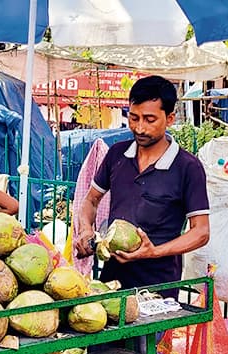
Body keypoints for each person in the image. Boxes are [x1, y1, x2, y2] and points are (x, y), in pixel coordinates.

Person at [74, 75, 210, 297]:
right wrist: (87, 230)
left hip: (158, 286)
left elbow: (201, 232)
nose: (139, 128)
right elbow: (91, 200)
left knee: (148, 333)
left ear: (170, 118)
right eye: (134, 117)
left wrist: (154, 252)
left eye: (149, 119)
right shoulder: (117, 154)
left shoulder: (188, 167)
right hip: (112, 281)